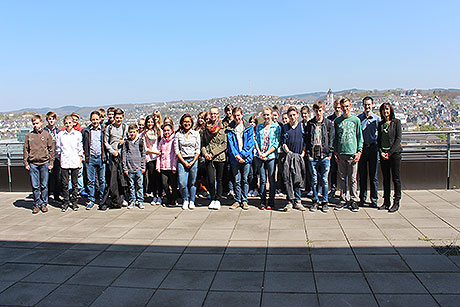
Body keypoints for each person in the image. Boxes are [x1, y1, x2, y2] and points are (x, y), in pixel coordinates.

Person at [334, 97, 363, 212]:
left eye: (347, 106)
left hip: (352, 153)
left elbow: (359, 137)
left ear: (350, 107)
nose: (345, 109)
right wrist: (335, 151)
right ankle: (343, 199)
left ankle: (353, 200)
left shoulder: (355, 120)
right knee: (342, 178)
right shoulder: (337, 121)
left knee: (353, 178)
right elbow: (335, 138)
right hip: (341, 153)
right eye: (343, 107)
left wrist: (359, 151)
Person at [305, 101, 334, 212]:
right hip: (313, 156)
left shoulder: (328, 123)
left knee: (325, 180)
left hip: (324, 155)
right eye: (316, 110)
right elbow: (307, 139)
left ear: (323, 110)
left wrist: (329, 154)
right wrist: (308, 154)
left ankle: (325, 201)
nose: (318, 112)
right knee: (314, 180)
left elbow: (331, 139)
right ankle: (315, 200)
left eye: (320, 110)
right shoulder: (310, 124)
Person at [24, 115, 55, 214]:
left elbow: (51, 149)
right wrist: (26, 162)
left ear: (41, 123)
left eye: (37, 123)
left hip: (44, 163)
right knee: (35, 185)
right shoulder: (29, 136)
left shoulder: (46, 135)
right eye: (34, 123)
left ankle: (44, 204)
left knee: (44, 185)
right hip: (33, 163)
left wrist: (51, 162)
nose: (36, 125)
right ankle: (37, 203)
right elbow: (26, 150)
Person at [227, 107, 254, 210]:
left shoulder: (249, 127)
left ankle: (245, 200)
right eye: (235, 116)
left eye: (238, 115)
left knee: (245, 179)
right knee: (237, 180)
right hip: (235, 159)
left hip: (246, 158)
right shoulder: (230, 128)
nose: (237, 118)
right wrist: (237, 156)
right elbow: (231, 145)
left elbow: (250, 144)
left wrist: (242, 155)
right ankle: (237, 200)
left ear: (242, 115)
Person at [281, 107, 307, 211]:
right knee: (288, 178)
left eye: (294, 115)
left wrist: (303, 153)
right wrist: (288, 152)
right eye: (290, 115)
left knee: (298, 179)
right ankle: (289, 201)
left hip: (299, 156)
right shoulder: (285, 127)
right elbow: (283, 143)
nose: (292, 117)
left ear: (297, 115)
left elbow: (305, 141)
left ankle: (298, 200)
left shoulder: (302, 126)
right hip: (289, 156)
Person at [377, 102, 402, 213]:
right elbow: (378, 140)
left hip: (394, 154)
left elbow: (398, 139)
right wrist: (381, 152)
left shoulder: (396, 122)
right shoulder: (381, 124)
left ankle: (396, 202)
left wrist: (390, 153)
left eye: (387, 109)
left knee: (396, 179)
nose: (385, 112)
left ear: (390, 110)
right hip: (384, 154)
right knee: (385, 179)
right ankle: (386, 201)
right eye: (383, 110)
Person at [254, 107, 281, 210]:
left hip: (270, 156)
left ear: (271, 115)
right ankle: (262, 200)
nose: (266, 117)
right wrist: (260, 153)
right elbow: (256, 140)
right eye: (264, 115)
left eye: (268, 115)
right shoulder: (260, 127)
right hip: (259, 156)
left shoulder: (276, 127)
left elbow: (276, 143)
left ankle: (271, 201)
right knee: (262, 179)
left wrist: (266, 154)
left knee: (271, 179)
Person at [201, 107, 227, 210]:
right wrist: (205, 153)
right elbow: (203, 143)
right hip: (208, 157)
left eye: (215, 114)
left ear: (218, 114)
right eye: (212, 114)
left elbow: (224, 144)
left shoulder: (223, 127)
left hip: (219, 157)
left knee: (219, 179)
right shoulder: (205, 128)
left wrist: (213, 153)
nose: (213, 116)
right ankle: (212, 197)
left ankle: (218, 199)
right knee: (211, 180)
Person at [56, 115, 84, 212]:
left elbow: (80, 149)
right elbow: (58, 149)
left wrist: (80, 161)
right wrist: (60, 160)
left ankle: (74, 202)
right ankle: (66, 202)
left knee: (75, 183)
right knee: (65, 183)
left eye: (70, 123)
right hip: (64, 162)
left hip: (75, 161)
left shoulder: (77, 134)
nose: (68, 125)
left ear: (73, 123)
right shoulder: (60, 135)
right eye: (66, 123)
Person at [358, 96, 381, 208]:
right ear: (363, 106)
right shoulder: (359, 119)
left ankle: (374, 199)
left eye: (369, 104)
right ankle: (362, 198)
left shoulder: (377, 120)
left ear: (372, 105)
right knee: (362, 175)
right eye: (365, 104)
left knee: (373, 175)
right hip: (362, 148)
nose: (367, 107)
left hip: (373, 148)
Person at [104, 108, 129, 209]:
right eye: (117, 118)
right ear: (114, 118)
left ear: (123, 117)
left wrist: (125, 141)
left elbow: (130, 138)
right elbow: (105, 142)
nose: (118, 119)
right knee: (113, 178)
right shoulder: (109, 128)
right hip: (113, 156)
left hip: (123, 156)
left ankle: (123, 198)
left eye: (120, 118)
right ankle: (115, 198)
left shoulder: (125, 127)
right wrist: (112, 151)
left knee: (122, 178)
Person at [174, 114, 201, 210]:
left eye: (188, 122)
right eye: (185, 122)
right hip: (182, 160)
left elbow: (198, 149)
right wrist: (184, 162)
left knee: (193, 182)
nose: (187, 123)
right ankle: (185, 199)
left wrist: (193, 161)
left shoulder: (196, 134)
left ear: (191, 123)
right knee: (182, 182)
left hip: (193, 159)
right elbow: (177, 150)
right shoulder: (178, 135)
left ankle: (192, 200)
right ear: (182, 123)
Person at [82, 111, 106, 210]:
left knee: (102, 180)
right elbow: (82, 143)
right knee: (90, 181)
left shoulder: (104, 130)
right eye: (93, 119)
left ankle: (102, 198)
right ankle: (91, 199)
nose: (95, 121)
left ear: (100, 119)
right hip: (90, 158)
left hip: (101, 157)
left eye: (97, 119)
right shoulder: (86, 131)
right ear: (90, 120)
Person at [123, 124, 146, 209]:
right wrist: (125, 168)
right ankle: (132, 200)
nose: (132, 134)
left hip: (139, 168)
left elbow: (143, 155)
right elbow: (124, 155)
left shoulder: (140, 141)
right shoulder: (127, 142)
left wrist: (143, 167)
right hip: (130, 168)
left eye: (134, 132)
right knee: (131, 186)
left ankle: (140, 201)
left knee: (140, 185)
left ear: (137, 131)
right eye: (131, 132)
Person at [157, 123, 178, 206]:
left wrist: (174, 166)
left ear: (172, 131)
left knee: (173, 184)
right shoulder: (162, 141)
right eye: (165, 130)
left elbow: (175, 154)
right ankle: (168, 198)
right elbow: (159, 153)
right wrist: (158, 166)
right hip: (163, 166)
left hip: (171, 166)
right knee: (164, 184)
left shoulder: (174, 140)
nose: (166, 132)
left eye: (168, 130)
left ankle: (174, 199)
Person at [144, 115, 162, 205]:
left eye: (151, 122)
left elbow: (162, 137)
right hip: (150, 158)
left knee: (158, 178)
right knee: (152, 178)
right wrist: (155, 152)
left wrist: (158, 127)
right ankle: (154, 196)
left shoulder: (156, 132)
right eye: (148, 122)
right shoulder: (144, 134)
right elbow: (145, 148)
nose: (150, 123)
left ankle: (160, 196)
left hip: (158, 158)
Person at [44, 111, 61, 204]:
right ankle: (46, 195)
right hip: (47, 157)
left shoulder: (58, 131)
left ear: (55, 120)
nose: (51, 121)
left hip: (57, 157)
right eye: (49, 119)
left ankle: (57, 195)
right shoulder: (44, 131)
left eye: (52, 119)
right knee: (47, 177)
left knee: (57, 177)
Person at [327, 99, 342, 198]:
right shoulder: (329, 119)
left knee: (343, 172)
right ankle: (333, 189)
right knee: (333, 170)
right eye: (336, 107)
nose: (337, 109)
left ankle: (342, 191)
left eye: (339, 108)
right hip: (332, 148)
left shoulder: (346, 118)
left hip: (342, 148)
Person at [301, 105, 313, 197]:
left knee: (311, 171)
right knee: (304, 170)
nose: (304, 115)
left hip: (310, 150)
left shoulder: (312, 123)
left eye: (305, 113)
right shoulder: (300, 124)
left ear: (308, 113)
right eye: (302, 113)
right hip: (302, 150)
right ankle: (306, 187)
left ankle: (311, 188)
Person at [248, 116, 259, 197]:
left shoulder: (257, 132)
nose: (252, 123)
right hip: (249, 154)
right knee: (250, 173)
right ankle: (251, 188)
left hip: (256, 154)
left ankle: (255, 188)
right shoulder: (248, 132)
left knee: (255, 172)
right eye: (251, 122)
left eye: (254, 122)